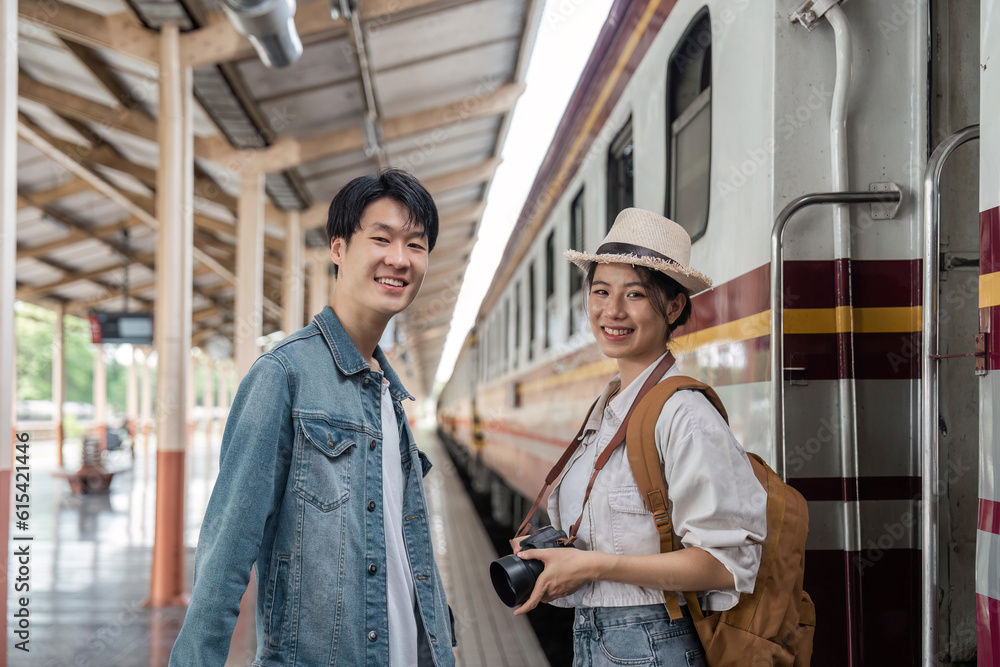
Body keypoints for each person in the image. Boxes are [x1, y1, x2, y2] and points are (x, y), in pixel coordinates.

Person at [170, 169, 456, 666]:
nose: (399, 258)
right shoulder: (283, 376)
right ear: (339, 249)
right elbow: (225, 556)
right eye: (382, 238)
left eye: (416, 244)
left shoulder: (390, 393)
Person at [511, 208, 767, 666]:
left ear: (672, 306)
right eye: (601, 291)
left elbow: (726, 564)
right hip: (595, 639)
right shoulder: (609, 408)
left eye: (635, 295)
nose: (612, 311)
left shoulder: (684, 413)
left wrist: (594, 565)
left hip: (655, 644)